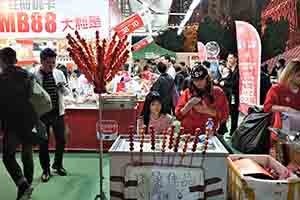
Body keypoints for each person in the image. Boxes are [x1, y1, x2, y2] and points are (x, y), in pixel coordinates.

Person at [0, 47, 38, 199]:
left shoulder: (1, 79)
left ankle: (23, 185)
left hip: (12, 123)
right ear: (16, 60)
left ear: (2, 61)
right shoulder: (28, 76)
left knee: (8, 156)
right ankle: (26, 188)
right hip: (28, 121)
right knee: (27, 156)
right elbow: (32, 97)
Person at [31, 48, 70, 182]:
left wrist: (62, 88)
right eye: (48, 63)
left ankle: (58, 165)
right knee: (43, 143)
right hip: (42, 114)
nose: (51, 65)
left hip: (58, 113)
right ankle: (46, 170)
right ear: (41, 61)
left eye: (53, 62)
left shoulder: (59, 73)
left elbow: (67, 92)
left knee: (62, 140)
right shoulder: (33, 74)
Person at [175, 64, 229, 134]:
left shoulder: (217, 92)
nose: (198, 82)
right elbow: (178, 116)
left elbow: (224, 116)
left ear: (207, 78)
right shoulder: (187, 92)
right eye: (195, 80)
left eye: (201, 79)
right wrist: (189, 105)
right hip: (188, 134)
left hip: (207, 134)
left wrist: (207, 110)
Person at [264, 60, 300, 162]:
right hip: (280, 134)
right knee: (281, 164)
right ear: (290, 74)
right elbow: (267, 107)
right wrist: (287, 109)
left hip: (297, 134)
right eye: (299, 75)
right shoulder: (277, 89)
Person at [227, 53, 239, 135]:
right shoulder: (231, 69)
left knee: (234, 113)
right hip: (231, 95)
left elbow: (235, 83)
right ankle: (232, 130)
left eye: (231, 58)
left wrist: (224, 83)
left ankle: (233, 131)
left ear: (236, 59)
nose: (229, 60)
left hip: (236, 94)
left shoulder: (238, 70)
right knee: (232, 113)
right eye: (228, 58)